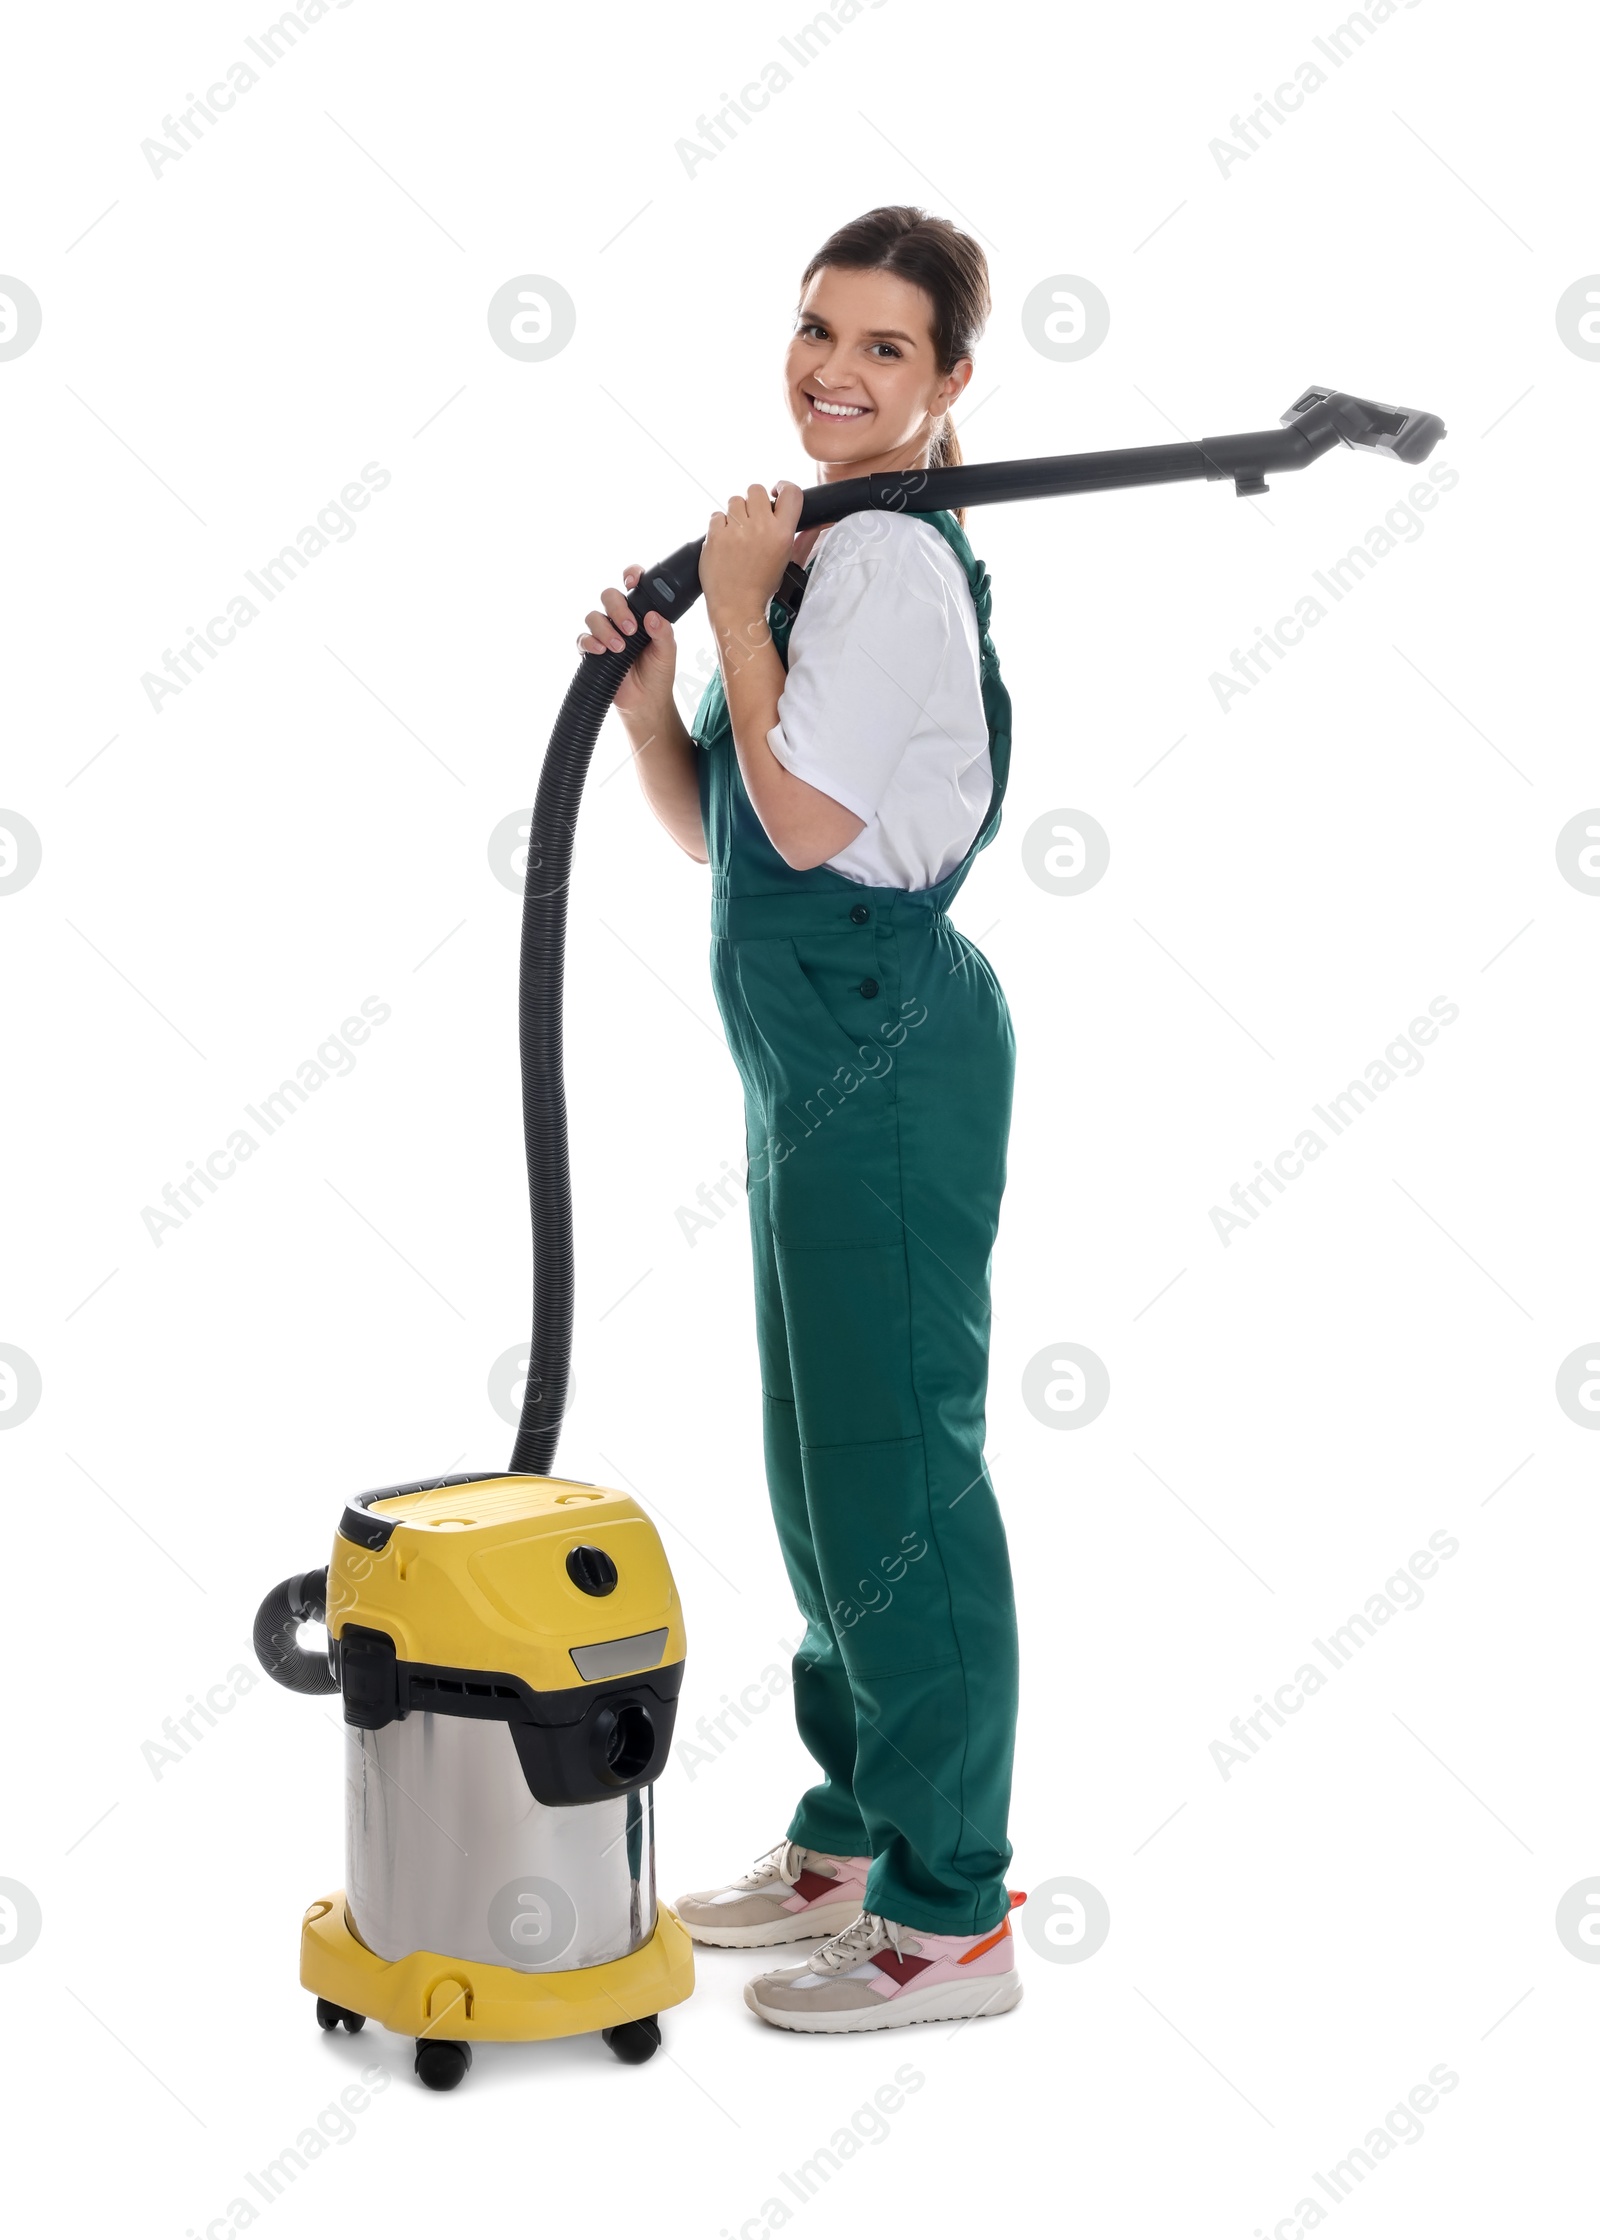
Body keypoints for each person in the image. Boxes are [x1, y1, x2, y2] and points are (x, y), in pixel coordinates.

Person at [578, 206, 1021, 2033]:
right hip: (803, 1050)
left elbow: (824, 828)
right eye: (819, 328)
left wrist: (741, 604)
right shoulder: (826, 543)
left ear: (951, 385)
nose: (833, 369)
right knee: (823, 1465)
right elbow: (725, 821)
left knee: (901, 1478)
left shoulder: (890, 568)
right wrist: (638, 701)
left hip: (887, 1051)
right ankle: (851, 1832)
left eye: (886, 349)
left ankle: (948, 1915)